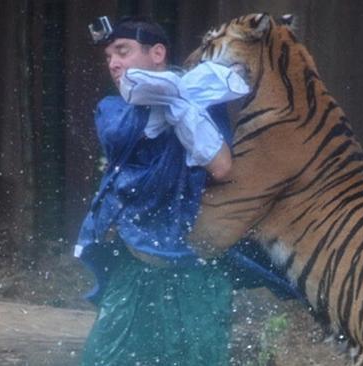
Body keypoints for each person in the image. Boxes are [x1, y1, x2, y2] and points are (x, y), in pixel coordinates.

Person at [75, 15, 299, 366]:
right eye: (108, 58)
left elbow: (222, 167)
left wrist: (181, 104)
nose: (114, 64)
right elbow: (126, 136)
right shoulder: (113, 109)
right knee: (102, 359)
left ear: (157, 53)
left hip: (197, 268)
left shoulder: (201, 100)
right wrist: (169, 102)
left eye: (122, 51)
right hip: (136, 265)